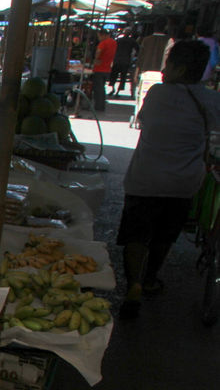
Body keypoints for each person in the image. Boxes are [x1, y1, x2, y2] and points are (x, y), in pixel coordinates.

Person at [117, 40, 220, 319]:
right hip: (183, 184)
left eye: (168, 65)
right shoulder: (211, 99)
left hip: (145, 179)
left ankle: (133, 285)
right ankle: (150, 278)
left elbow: (144, 122)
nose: (163, 71)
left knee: (136, 235)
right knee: (165, 235)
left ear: (180, 68)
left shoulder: (157, 94)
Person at [91, 29, 117, 112]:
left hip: (99, 68)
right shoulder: (114, 43)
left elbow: (98, 52)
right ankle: (101, 105)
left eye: (99, 36)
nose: (99, 38)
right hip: (107, 68)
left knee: (98, 89)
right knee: (102, 88)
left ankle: (98, 106)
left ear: (104, 35)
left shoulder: (103, 43)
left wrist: (96, 59)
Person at [109, 28, 138, 97]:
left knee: (114, 75)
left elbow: (112, 49)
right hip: (125, 61)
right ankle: (118, 92)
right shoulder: (132, 41)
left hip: (116, 60)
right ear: (130, 34)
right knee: (123, 77)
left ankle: (113, 89)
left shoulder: (118, 40)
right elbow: (138, 49)